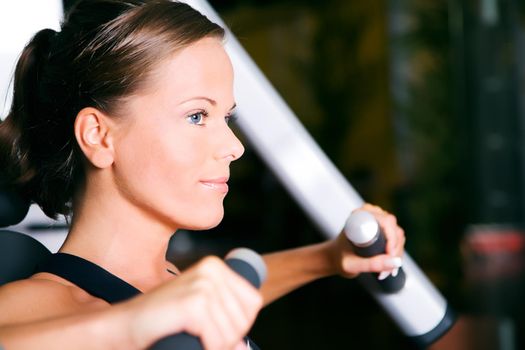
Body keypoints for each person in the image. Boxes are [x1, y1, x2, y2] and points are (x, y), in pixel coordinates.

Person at [0, 0, 405, 349]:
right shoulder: (34, 308)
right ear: (99, 136)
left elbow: (214, 296)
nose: (234, 146)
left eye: (225, 117)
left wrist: (328, 257)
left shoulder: (169, 283)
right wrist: (134, 325)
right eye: (197, 115)